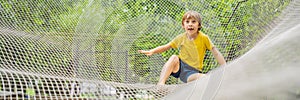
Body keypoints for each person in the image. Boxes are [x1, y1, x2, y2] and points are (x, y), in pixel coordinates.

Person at [138, 10, 226, 85]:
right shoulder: (181, 38)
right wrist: (152, 51)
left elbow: (216, 52)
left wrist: (225, 67)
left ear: (199, 25)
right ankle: (161, 83)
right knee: (173, 57)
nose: (190, 24)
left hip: (192, 72)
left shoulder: (204, 38)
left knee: (206, 78)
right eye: (187, 22)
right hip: (180, 66)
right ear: (183, 25)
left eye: (193, 22)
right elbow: (166, 47)